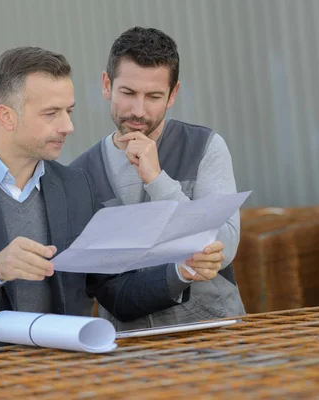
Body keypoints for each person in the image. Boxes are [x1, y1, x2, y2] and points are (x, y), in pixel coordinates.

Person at [0, 46, 226, 355]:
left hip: (60, 380)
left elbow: (114, 290)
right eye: (51, 113)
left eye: (69, 110)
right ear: (7, 116)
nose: (68, 126)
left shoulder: (74, 186)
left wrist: (182, 270)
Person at [71, 27, 245, 331]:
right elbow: (101, 282)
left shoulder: (204, 147)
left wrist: (157, 180)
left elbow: (223, 247)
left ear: (173, 94)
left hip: (213, 333)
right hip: (128, 345)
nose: (139, 110)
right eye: (127, 93)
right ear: (106, 85)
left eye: (153, 96)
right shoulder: (79, 174)